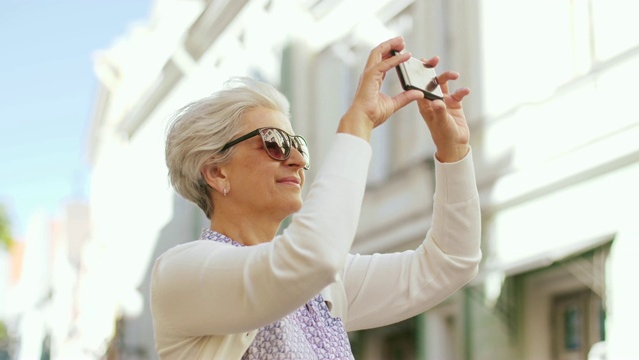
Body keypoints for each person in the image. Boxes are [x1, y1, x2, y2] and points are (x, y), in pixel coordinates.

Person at [151, 36, 481, 359]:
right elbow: (310, 258)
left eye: (298, 145)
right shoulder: (181, 273)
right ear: (217, 172)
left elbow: (450, 263)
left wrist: (454, 153)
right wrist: (358, 123)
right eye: (275, 143)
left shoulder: (323, 283)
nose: (296, 159)